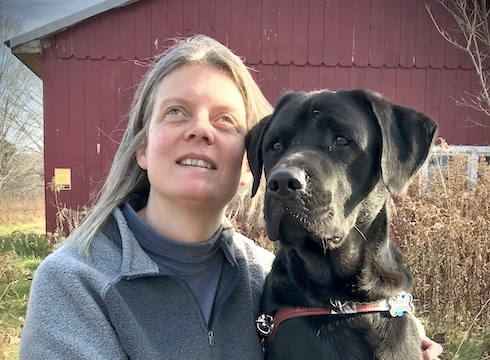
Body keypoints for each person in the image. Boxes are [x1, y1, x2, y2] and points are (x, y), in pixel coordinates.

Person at [19, 34, 442, 360]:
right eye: (176, 112)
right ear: (142, 148)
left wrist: (398, 324)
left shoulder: (263, 274)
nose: (200, 130)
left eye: (224, 120)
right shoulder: (76, 282)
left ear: (244, 166)